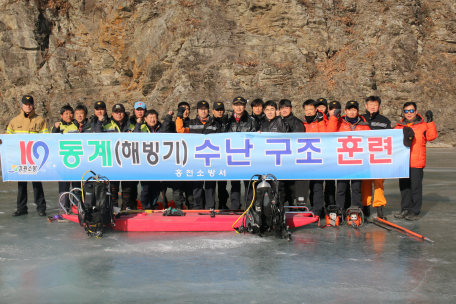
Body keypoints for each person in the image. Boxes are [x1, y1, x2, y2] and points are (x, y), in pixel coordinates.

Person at [394, 102, 437, 220]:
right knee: (404, 187)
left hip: (416, 162)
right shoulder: (399, 126)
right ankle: (405, 209)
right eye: (406, 111)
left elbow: (431, 136)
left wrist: (430, 121)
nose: (409, 113)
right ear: (403, 112)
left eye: (411, 111)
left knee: (415, 188)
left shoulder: (423, 125)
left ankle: (415, 211)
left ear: (416, 112)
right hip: (402, 163)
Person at [326, 101, 370, 218]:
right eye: (349, 109)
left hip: (358, 162)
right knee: (341, 188)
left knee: (356, 189)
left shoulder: (364, 125)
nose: (352, 112)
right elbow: (330, 133)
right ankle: (340, 209)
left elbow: (370, 141)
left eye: (354, 110)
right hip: (343, 161)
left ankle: (356, 209)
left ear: (358, 111)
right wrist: (334, 117)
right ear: (345, 111)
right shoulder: (339, 122)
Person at [7, 95, 49, 216]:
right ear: (22, 105)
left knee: (37, 183)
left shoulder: (40, 120)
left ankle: (41, 208)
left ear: (33, 105)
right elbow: (7, 137)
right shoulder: (14, 121)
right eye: (26, 104)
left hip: (35, 158)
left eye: (30, 104)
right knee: (21, 184)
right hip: (20, 157)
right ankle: (21, 208)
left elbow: (45, 139)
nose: (28, 106)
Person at [177, 100, 221, 209]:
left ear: (208, 110)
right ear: (197, 110)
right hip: (196, 161)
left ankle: (210, 207)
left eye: (205, 109)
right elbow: (180, 130)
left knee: (210, 186)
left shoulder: (215, 124)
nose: (203, 111)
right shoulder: (191, 123)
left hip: (211, 161)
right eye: (201, 109)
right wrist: (178, 117)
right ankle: (198, 208)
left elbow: (221, 141)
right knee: (197, 186)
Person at [361, 96, 392, 219]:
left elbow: (391, 138)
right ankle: (365, 207)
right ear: (366, 105)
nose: (373, 107)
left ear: (379, 106)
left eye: (375, 104)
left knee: (379, 182)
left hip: (379, 157)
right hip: (364, 158)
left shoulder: (384, 121)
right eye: (370, 104)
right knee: (365, 183)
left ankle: (380, 208)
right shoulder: (361, 119)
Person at [226, 96, 258, 209]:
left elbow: (256, 138)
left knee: (248, 183)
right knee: (234, 183)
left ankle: (250, 208)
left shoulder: (252, 120)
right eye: (236, 105)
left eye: (241, 105)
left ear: (245, 106)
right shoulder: (228, 120)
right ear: (233, 106)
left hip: (247, 156)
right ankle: (235, 207)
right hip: (233, 156)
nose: (239, 107)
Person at [103, 104, 136, 210]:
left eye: (120, 112)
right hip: (113, 161)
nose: (118, 114)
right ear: (112, 114)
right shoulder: (106, 126)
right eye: (116, 112)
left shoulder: (132, 125)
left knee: (127, 187)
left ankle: (126, 207)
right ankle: (114, 208)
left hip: (127, 161)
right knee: (113, 187)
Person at [163, 102, 194, 209]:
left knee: (191, 189)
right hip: (176, 161)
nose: (185, 111)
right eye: (182, 109)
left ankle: (192, 209)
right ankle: (178, 208)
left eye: (187, 109)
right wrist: (170, 117)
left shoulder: (193, 123)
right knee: (177, 188)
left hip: (190, 160)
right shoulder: (172, 124)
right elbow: (163, 132)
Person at [258, 100, 289, 204]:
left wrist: (280, 118)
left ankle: (279, 210)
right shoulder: (263, 124)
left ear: (276, 111)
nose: (269, 112)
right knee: (267, 186)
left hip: (279, 160)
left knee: (279, 187)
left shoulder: (281, 122)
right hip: (266, 161)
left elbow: (286, 132)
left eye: (272, 109)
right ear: (264, 111)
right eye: (267, 110)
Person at [279, 99, 306, 207]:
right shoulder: (279, 121)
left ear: (291, 108)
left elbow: (296, 141)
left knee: (294, 187)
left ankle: (297, 207)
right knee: (284, 187)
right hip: (282, 159)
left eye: (286, 107)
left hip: (292, 159)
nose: (284, 110)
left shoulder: (297, 122)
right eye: (282, 108)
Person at [302, 99, 326, 217]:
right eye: (307, 110)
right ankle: (311, 207)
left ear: (316, 109)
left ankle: (318, 210)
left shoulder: (321, 122)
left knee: (317, 185)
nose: (309, 112)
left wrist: (321, 120)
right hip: (305, 159)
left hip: (318, 158)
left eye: (311, 109)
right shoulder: (303, 123)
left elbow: (325, 134)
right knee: (308, 186)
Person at [134, 109, 163, 209]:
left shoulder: (161, 128)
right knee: (145, 188)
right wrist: (138, 124)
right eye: (150, 117)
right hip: (145, 164)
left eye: (154, 117)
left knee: (156, 188)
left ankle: (154, 206)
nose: (152, 120)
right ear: (145, 119)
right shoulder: (141, 128)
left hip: (158, 164)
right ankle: (145, 207)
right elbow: (134, 138)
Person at [52, 105, 77, 213]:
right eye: (66, 113)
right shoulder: (58, 126)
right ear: (61, 115)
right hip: (63, 162)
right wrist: (56, 128)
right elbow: (52, 140)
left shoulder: (76, 125)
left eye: (70, 113)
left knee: (76, 186)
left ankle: (77, 208)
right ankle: (63, 209)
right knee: (63, 187)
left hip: (77, 161)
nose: (69, 115)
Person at [212, 102, 229, 209]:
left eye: (221, 109)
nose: (219, 111)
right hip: (213, 157)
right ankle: (211, 206)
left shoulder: (228, 122)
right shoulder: (210, 122)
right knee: (211, 184)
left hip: (224, 158)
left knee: (222, 185)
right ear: (213, 111)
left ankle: (223, 204)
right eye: (217, 110)